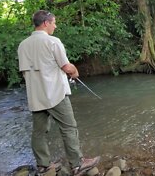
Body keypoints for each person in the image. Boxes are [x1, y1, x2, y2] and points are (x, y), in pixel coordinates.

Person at [18, 10, 100, 176]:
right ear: (46, 23)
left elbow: (26, 73)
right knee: (69, 128)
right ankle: (78, 164)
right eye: (54, 22)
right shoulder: (53, 42)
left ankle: (43, 165)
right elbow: (66, 67)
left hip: (35, 97)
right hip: (55, 95)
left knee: (39, 132)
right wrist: (75, 72)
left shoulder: (23, 45)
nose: (55, 25)